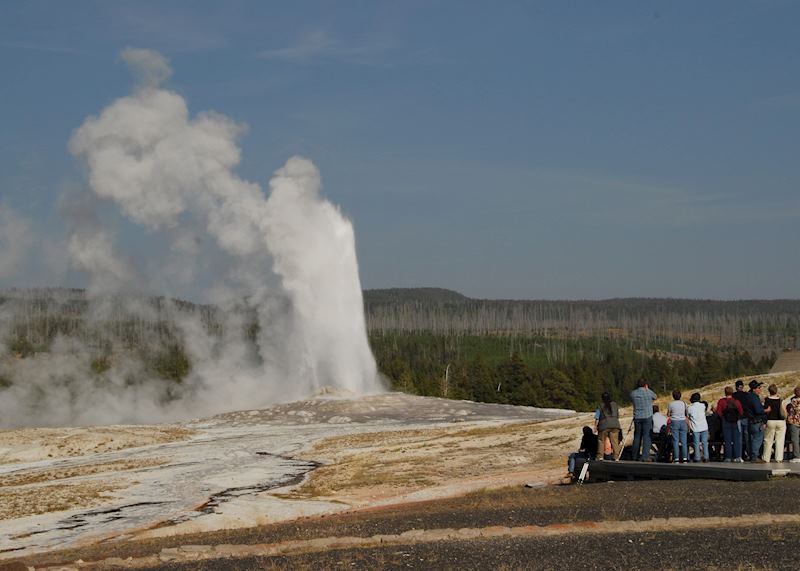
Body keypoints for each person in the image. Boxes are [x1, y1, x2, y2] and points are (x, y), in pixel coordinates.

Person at [630, 378, 657, 461]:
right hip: (647, 416)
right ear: (645, 384)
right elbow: (655, 396)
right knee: (647, 437)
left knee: (637, 436)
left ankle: (635, 455)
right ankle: (645, 456)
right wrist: (647, 389)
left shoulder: (633, 393)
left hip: (637, 417)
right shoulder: (648, 392)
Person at [716, 386, 744, 462]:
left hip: (726, 422)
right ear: (732, 392)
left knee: (727, 440)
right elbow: (741, 412)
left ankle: (728, 457)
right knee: (736, 440)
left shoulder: (721, 401)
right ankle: (737, 456)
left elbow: (718, 412)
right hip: (735, 422)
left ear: (725, 393)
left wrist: (723, 418)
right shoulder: (736, 401)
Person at [742, 380, 767, 463]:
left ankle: (751, 455)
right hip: (757, 421)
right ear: (754, 389)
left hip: (751, 421)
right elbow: (758, 410)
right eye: (758, 388)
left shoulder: (747, 397)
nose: (760, 390)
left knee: (752, 439)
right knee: (758, 439)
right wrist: (765, 410)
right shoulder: (754, 397)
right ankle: (754, 456)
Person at [762, 384, 787, 463]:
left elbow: (764, 411)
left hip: (770, 421)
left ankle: (766, 458)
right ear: (776, 390)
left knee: (768, 440)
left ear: (769, 391)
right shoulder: (780, 400)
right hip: (780, 421)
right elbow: (784, 412)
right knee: (780, 440)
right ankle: (779, 458)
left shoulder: (766, 400)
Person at [595, 392, 622, 461]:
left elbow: (597, 417)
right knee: (615, 441)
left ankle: (600, 456)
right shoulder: (615, 404)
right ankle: (616, 457)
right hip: (615, 424)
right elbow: (617, 415)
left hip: (604, 425)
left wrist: (595, 426)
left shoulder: (600, 405)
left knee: (601, 440)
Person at [687, 392, 710, 462]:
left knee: (696, 443)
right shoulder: (703, 406)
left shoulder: (690, 408)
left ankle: (697, 457)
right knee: (704, 442)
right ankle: (706, 457)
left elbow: (688, 417)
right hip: (704, 426)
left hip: (695, 427)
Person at [667, 390, 689, 463]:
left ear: (673, 396)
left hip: (674, 422)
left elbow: (668, 414)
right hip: (683, 422)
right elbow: (686, 413)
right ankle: (685, 458)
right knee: (684, 441)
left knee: (675, 441)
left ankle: (676, 458)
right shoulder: (684, 403)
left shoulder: (671, 404)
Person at [733, 379, 750, 459]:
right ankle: (749, 454)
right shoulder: (746, 395)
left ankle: (740, 455)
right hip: (746, 417)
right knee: (747, 437)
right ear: (742, 386)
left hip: (738, 418)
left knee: (739, 437)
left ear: (736, 387)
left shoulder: (734, 396)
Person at [787, 387, 800, 463]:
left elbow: (791, 412)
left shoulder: (793, 400)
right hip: (795, 421)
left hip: (794, 421)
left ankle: (797, 456)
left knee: (795, 439)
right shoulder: (792, 400)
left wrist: (789, 420)